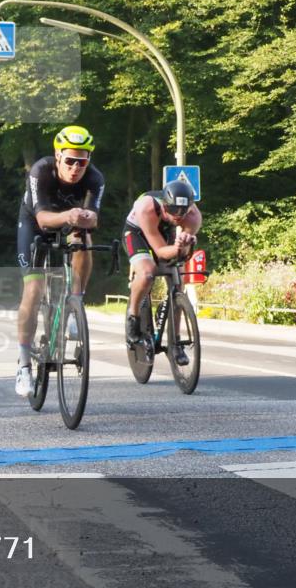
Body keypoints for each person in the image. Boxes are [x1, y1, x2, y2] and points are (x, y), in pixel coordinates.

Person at [14, 125, 106, 397]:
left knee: (84, 240)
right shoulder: (41, 171)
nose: (76, 167)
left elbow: (94, 218)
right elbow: (42, 218)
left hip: (70, 221)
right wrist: (71, 216)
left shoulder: (95, 178)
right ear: (58, 156)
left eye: (82, 161)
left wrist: (83, 220)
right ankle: (23, 366)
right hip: (35, 224)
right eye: (70, 160)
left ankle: (76, 301)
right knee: (34, 289)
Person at [121, 178, 202, 362]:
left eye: (183, 211)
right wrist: (177, 248)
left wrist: (185, 246)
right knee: (148, 273)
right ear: (165, 205)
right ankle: (132, 318)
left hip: (165, 232)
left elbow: (182, 254)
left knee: (178, 282)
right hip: (138, 232)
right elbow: (160, 251)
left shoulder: (193, 216)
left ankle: (176, 342)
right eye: (173, 210)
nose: (178, 216)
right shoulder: (147, 207)